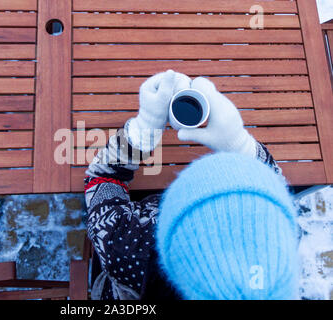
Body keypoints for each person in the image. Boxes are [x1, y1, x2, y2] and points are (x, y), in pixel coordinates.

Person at [84, 70, 299, 300]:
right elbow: (275, 193)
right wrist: (239, 143)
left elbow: (103, 178)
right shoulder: (278, 246)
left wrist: (140, 134)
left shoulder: (124, 247)